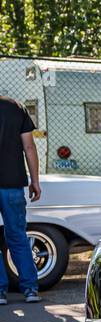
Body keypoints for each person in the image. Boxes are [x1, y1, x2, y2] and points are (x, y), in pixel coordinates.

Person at [0, 96, 42, 304]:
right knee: (17, 235)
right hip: (12, 183)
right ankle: (30, 289)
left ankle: (0, 292)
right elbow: (30, 147)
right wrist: (35, 181)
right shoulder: (17, 108)